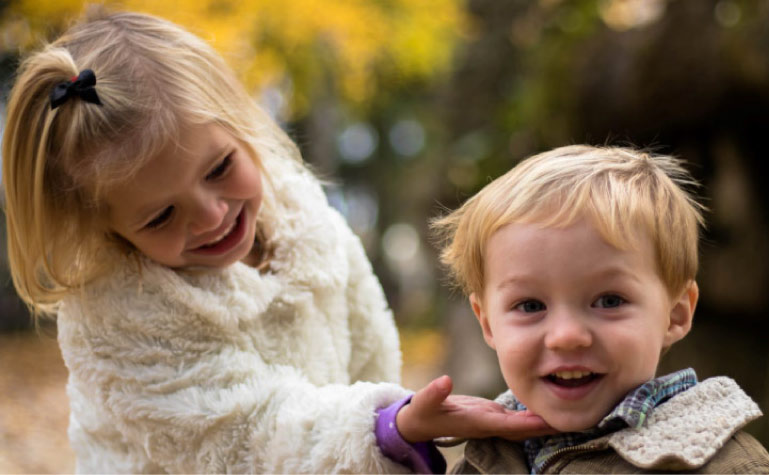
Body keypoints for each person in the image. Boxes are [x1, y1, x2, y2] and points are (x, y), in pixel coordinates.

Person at [1, 9, 551, 473]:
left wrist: (395, 424)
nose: (212, 216)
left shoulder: (301, 219)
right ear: (109, 230)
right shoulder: (118, 317)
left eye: (220, 167)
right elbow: (241, 437)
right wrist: (383, 428)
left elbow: (366, 345)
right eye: (162, 215)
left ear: (241, 126)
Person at [431, 145, 769, 473]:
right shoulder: (485, 456)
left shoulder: (726, 468)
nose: (567, 336)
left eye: (609, 301)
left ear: (676, 314)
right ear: (488, 323)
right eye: (530, 305)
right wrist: (393, 437)